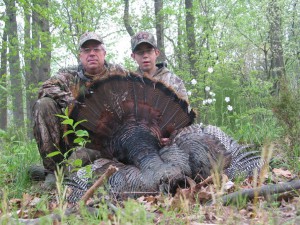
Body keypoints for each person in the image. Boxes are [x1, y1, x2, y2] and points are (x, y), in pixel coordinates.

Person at [31, 32, 128, 186]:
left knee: (78, 165)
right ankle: (52, 170)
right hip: (73, 139)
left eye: (96, 49)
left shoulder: (118, 74)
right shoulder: (69, 76)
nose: (92, 54)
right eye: (86, 50)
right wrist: (73, 103)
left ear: (104, 53)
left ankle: (63, 172)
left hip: (106, 142)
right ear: (80, 56)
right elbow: (45, 87)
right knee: (43, 104)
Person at [130, 31, 189, 102]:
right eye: (140, 52)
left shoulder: (173, 81)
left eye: (149, 51)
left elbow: (185, 111)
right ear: (133, 56)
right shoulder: (129, 83)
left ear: (157, 53)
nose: (145, 56)